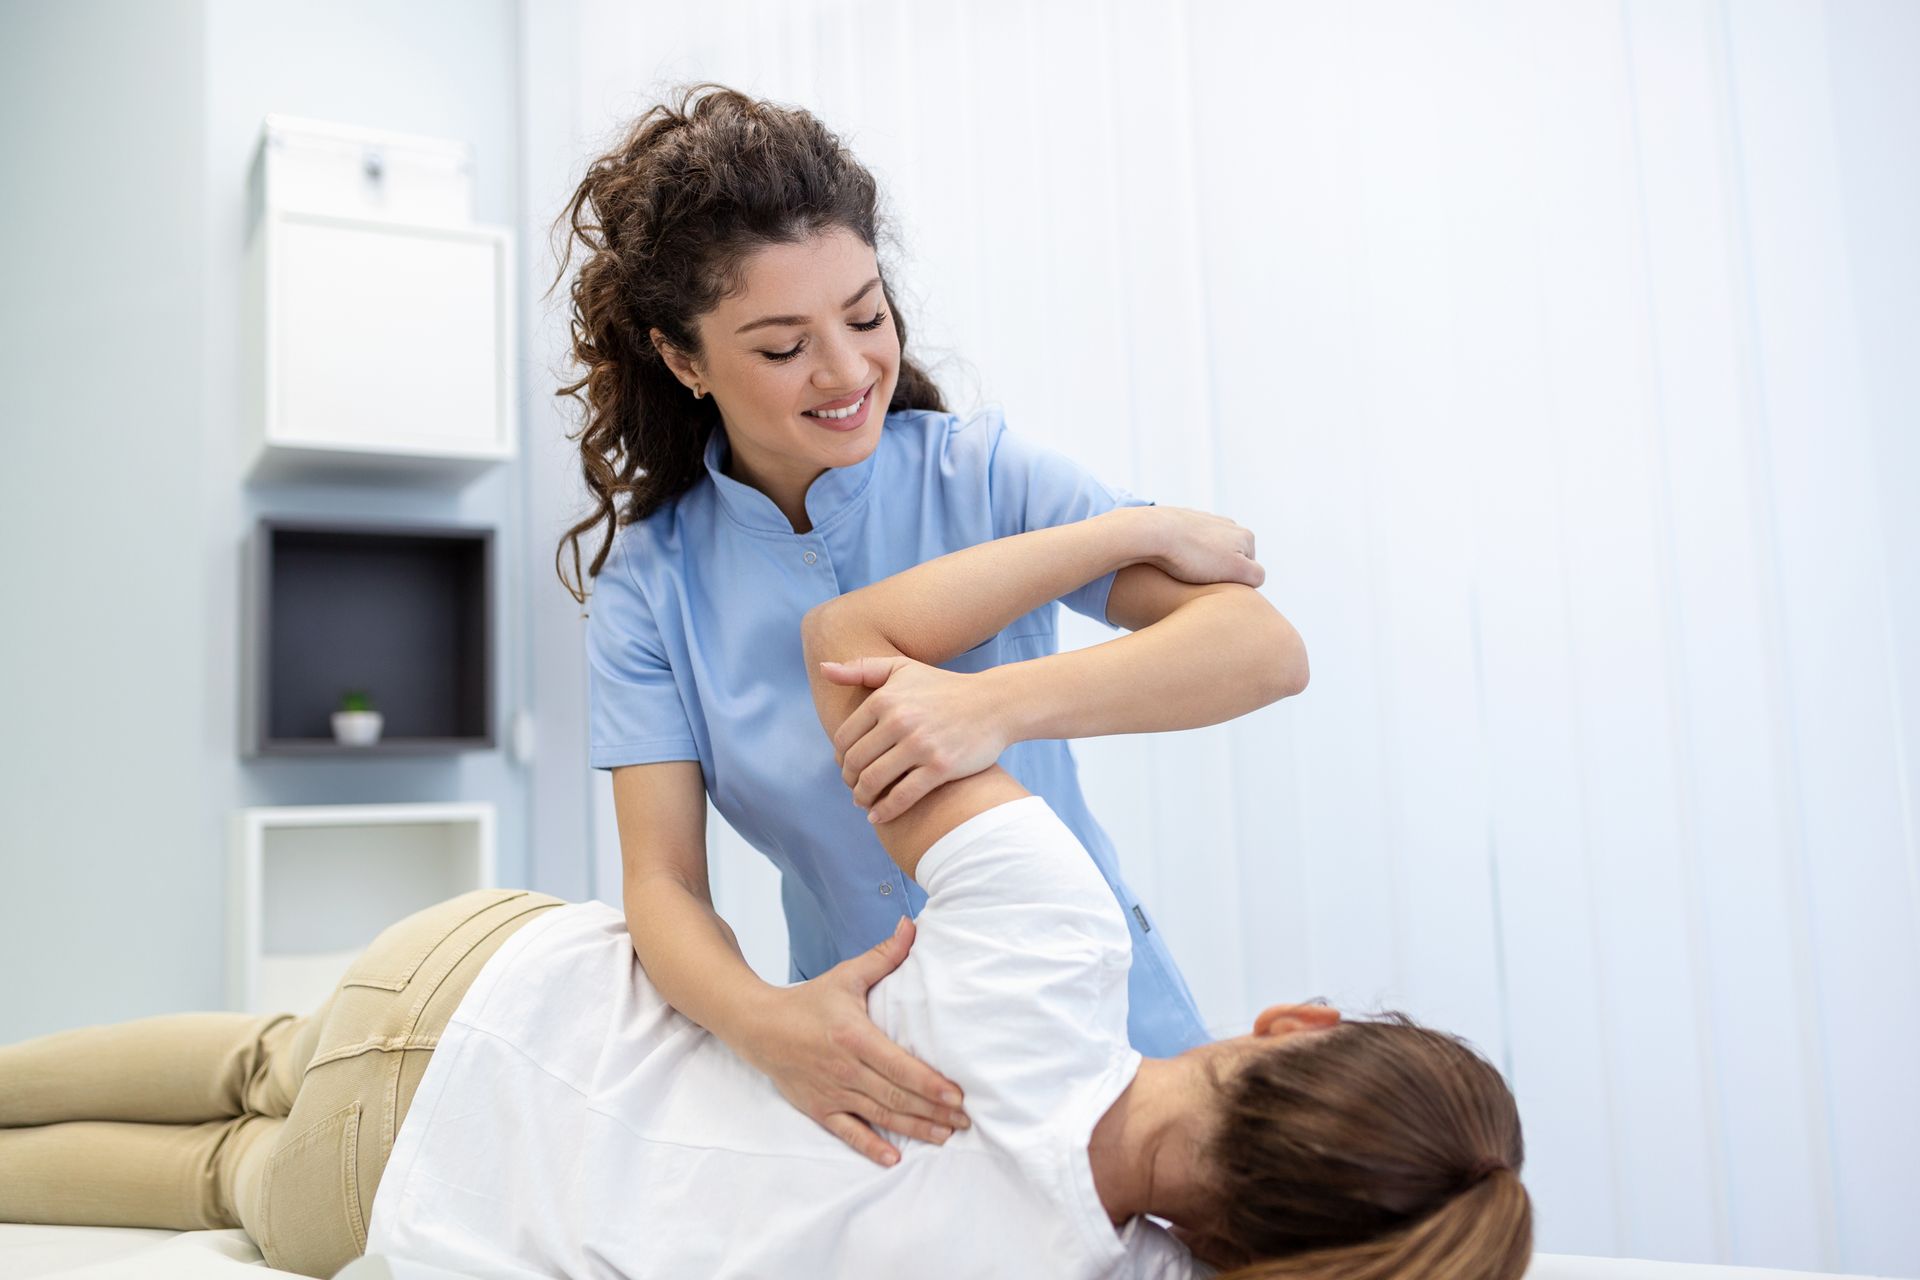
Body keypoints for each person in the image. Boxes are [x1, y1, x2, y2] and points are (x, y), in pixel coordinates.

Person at [0, 508, 1532, 1280]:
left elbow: (853, 643)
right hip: (406, 1190)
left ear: (1296, 1022)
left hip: (484, 981)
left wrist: (1104, 564)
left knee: (265, 1053)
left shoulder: (1051, 944)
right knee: (214, 1182)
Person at [553, 81, 1311, 1170]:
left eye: (866, 314)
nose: (850, 368)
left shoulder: (982, 476)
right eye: (782, 346)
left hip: (1108, 1040)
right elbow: (663, 882)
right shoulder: (651, 586)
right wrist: (771, 1026)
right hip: (876, 1069)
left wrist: (991, 704)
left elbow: (1263, 649)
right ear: (684, 359)